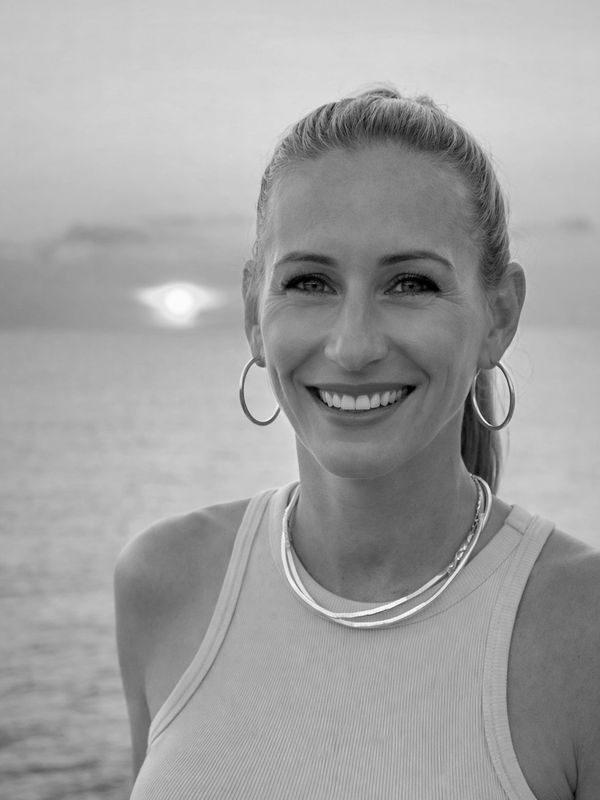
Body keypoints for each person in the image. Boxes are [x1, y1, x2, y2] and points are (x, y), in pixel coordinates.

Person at [115, 87, 600, 799]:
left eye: (411, 283)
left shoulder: (581, 630)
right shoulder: (164, 582)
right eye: (310, 281)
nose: (352, 346)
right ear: (255, 312)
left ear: (499, 316)